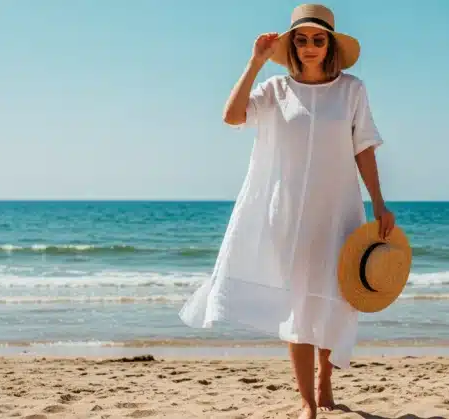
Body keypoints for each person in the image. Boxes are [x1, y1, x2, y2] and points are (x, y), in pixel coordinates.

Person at [179, 4, 395, 418]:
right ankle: (307, 401)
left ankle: (325, 381)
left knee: (335, 297)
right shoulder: (275, 89)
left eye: (318, 39)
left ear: (329, 45)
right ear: (292, 45)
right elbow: (232, 116)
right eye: (301, 39)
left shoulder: (352, 90)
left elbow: (364, 147)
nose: (310, 46)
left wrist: (380, 203)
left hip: (339, 210)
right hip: (288, 214)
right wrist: (255, 63)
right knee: (298, 304)